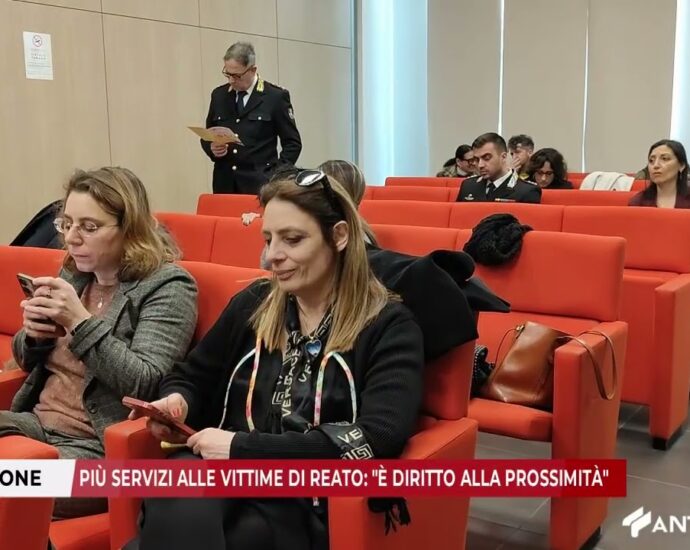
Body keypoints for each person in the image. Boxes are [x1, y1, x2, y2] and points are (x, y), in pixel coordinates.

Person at [131, 172, 425, 550]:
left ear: (339, 236)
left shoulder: (388, 325)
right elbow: (192, 375)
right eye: (268, 239)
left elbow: (377, 436)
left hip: (304, 496)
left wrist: (241, 449)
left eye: (293, 239)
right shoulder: (254, 303)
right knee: (176, 495)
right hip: (224, 473)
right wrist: (178, 402)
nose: (272, 256)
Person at [0, 167, 198, 518]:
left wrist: (79, 321)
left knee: (9, 484)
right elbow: (27, 360)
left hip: (100, 450)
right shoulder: (76, 273)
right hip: (36, 425)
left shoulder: (169, 286)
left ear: (129, 229)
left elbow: (146, 382)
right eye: (66, 224)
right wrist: (33, 335)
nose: (72, 238)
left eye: (89, 227)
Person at [202, 41, 302, 195]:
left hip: (260, 185)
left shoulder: (275, 97)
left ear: (253, 70)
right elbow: (207, 135)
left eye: (237, 76)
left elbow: (292, 144)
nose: (231, 80)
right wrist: (212, 148)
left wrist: (276, 176)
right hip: (225, 184)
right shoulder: (219, 95)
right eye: (227, 74)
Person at [456, 133, 541, 203]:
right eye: (477, 159)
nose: (480, 165)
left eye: (486, 158)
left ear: (503, 157)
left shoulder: (527, 191)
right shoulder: (468, 185)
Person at [629, 139, 690, 208]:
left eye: (665, 158)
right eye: (651, 160)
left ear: (681, 165)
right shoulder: (638, 202)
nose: (656, 165)